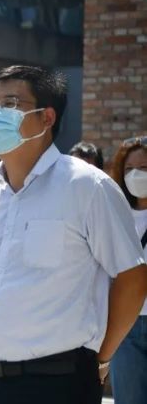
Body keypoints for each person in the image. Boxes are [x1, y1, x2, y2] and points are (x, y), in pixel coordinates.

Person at [0, 65, 147, 404]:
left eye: (10, 103)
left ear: (47, 117)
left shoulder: (87, 186)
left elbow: (132, 276)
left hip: (56, 383)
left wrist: (102, 357)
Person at [108, 136, 147, 403]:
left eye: (143, 168)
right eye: (129, 169)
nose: (136, 175)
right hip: (125, 324)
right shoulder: (115, 212)